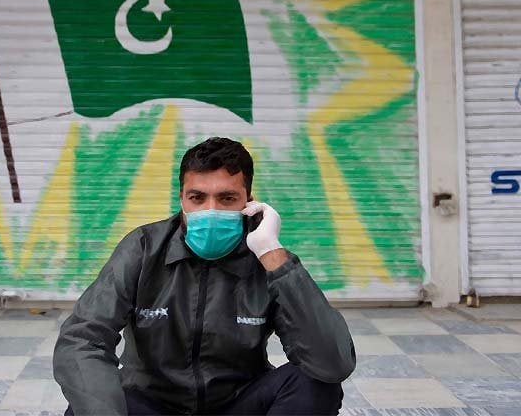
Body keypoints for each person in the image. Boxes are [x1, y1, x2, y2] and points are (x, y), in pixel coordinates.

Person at [54, 137, 356, 416]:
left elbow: (333, 363)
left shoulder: (267, 259)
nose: (210, 210)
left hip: (237, 405)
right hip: (153, 404)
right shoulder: (144, 248)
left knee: (317, 383)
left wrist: (272, 253)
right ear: (182, 199)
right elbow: (83, 339)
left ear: (248, 202)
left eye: (226, 199)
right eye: (197, 198)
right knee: (85, 406)